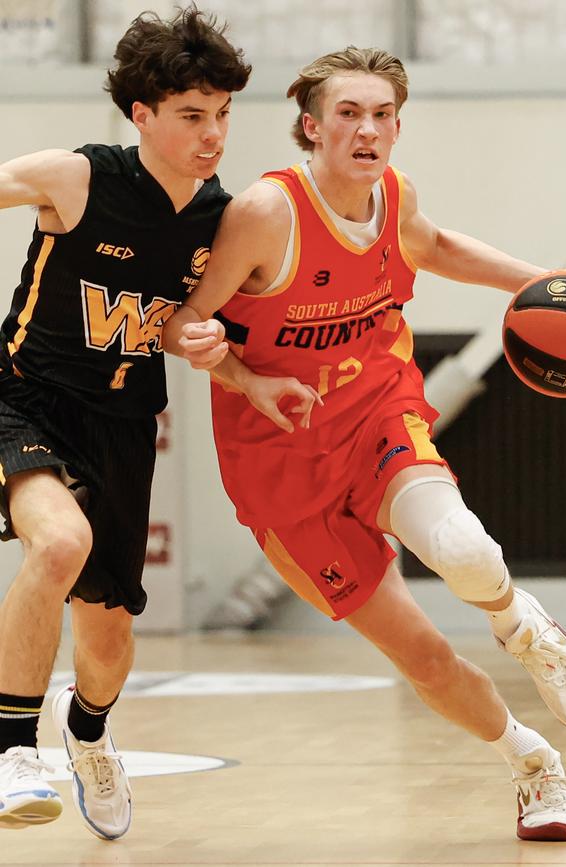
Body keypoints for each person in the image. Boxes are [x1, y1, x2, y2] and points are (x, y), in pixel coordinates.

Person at [163, 47, 566, 842]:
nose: (367, 129)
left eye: (381, 115)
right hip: (281, 465)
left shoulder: (395, 198)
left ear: (397, 128)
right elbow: (183, 321)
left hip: (376, 412)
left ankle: (522, 625)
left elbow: (432, 247)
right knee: (426, 659)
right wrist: (241, 374)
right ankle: (533, 764)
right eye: (348, 113)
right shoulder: (269, 213)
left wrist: (542, 281)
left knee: (461, 546)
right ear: (311, 127)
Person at [0, 5, 317, 839]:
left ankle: (89, 733)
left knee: (106, 637)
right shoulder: (76, 177)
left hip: (125, 420)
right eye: (190, 116)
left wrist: (233, 367)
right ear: (140, 114)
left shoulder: (219, 219)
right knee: (57, 544)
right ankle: (11, 749)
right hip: (24, 396)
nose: (212, 134)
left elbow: (178, 325)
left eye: (221, 115)